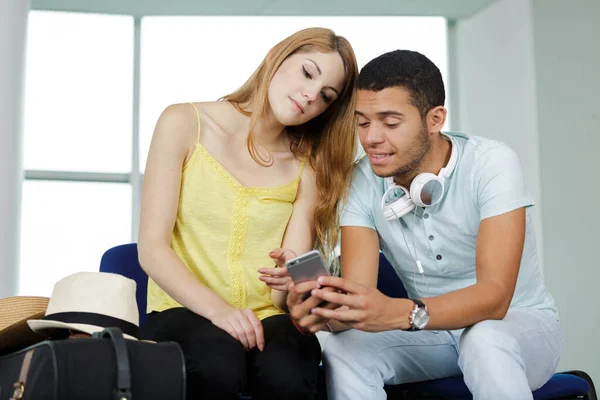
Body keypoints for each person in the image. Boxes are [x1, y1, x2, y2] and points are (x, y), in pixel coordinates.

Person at [286, 50, 562, 400]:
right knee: (343, 348)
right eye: (363, 122)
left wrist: (402, 312)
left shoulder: (492, 164)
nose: (371, 138)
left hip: (519, 326)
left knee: (484, 339)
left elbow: (495, 299)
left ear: (435, 119)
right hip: (431, 333)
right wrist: (322, 313)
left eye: (390, 122)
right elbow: (359, 298)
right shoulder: (361, 181)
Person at [137, 27, 359, 399]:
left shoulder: (309, 167)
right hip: (183, 309)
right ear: (277, 56)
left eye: (326, 96)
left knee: (287, 373)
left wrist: (295, 281)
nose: (310, 96)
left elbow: (284, 292)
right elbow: (152, 249)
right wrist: (220, 312)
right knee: (216, 363)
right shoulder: (182, 122)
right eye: (307, 72)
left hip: (267, 317)